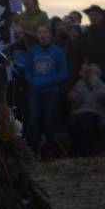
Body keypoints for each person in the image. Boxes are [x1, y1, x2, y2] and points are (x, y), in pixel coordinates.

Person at [24, 24, 68, 158]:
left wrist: (48, 80)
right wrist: (33, 81)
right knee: (33, 120)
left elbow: (64, 73)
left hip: (51, 91)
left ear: (50, 34)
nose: (42, 35)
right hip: (35, 91)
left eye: (45, 32)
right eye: (40, 32)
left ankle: (50, 150)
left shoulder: (58, 52)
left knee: (49, 120)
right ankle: (34, 150)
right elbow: (27, 71)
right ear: (37, 36)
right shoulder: (32, 51)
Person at [67, 62, 105, 156]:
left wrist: (92, 79)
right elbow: (72, 99)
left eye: (89, 72)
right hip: (78, 112)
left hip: (95, 113)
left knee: (86, 119)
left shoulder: (100, 84)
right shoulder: (80, 84)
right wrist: (80, 86)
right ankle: (76, 152)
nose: (86, 73)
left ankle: (89, 152)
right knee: (73, 119)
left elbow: (102, 96)